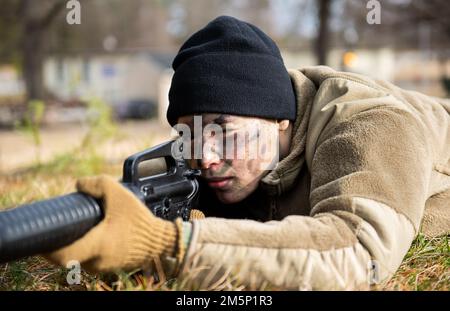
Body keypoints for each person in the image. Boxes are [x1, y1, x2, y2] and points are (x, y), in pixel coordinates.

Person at [46, 16, 450, 290]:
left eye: (223, 130)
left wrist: (166, 244)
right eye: (189, 132)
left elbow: (359, 255)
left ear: (280, 119)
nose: (204, 158)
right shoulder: (232, 151)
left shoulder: (371, 125)